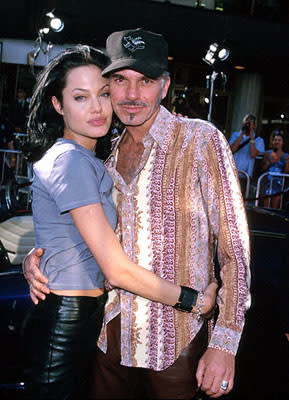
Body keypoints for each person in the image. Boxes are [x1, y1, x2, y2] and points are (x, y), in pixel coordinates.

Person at [23, 29, 250, 399]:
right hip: (106, 340)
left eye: (145, 81)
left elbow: (234, 249)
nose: (131, 95)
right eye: (119, 81)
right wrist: (38, 256)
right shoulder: (102, 154)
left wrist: (225, 343)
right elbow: (79, 227)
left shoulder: (200, 140)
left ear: (164, 86)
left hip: (174, 346)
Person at [229, 114, 265, 195]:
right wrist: (241, 135)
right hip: (233, 172)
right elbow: (232, 150)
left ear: (254, 125)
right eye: (246, 123)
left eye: (250, 124)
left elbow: (253, 154)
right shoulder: (236, 135)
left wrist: (252, 138)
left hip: (246, 175)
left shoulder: (259, 140)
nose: (248, 126)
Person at [262, 131, 289, 208]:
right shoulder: (267, 153)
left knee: (275, 207)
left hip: (279, 184)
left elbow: (286, 172)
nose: (277, 142)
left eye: (279, 140)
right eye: (275, 140)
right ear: (273, 142)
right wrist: (270, 161)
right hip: (268, 183)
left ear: (283, 142)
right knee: (266, 207)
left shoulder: (286, 155)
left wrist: (287, 163)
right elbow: (262, 169)